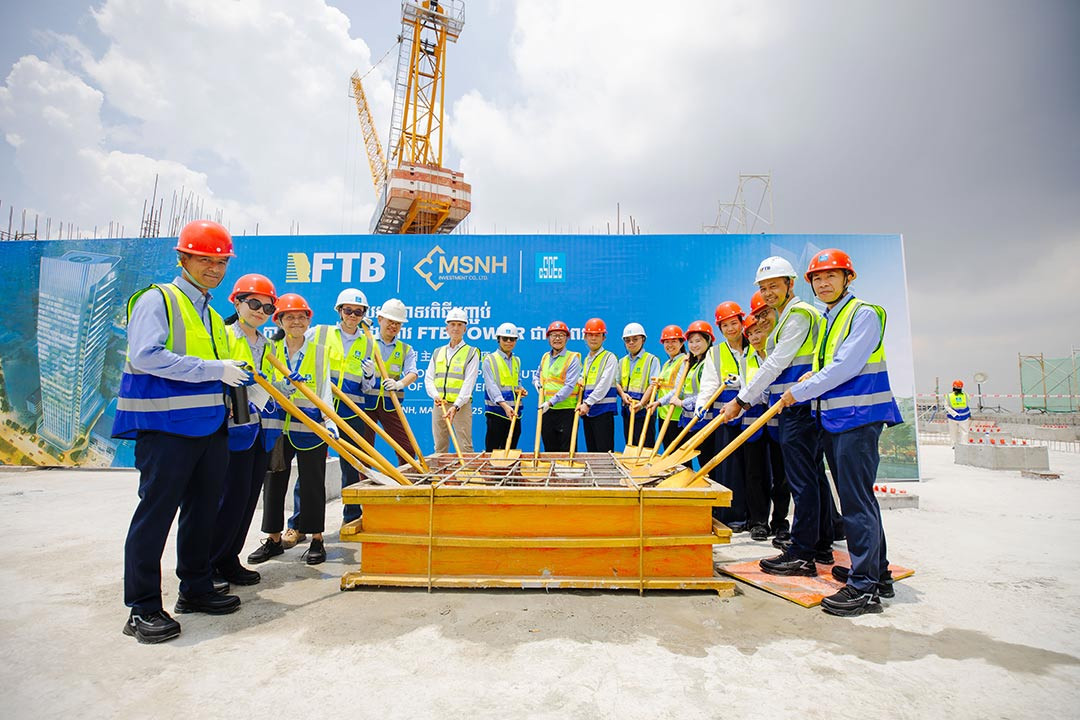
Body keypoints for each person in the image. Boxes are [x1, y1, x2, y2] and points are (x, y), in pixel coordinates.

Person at [113, 219, 245, 644]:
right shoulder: (158, 300)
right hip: (166, 428)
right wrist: (213, 369)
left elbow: (218, 371)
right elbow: (146, 355)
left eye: (221, 262)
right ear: (183, 258)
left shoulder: (211, 314)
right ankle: (143, 608)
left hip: (209, 428)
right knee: (155, 515)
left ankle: (195, 587)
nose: (214, 269)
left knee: (203, 512)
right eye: (205, 260)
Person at [779, 249, 903, 616]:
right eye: (817, 278)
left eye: (831, 276)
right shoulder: (831, 317)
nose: (823, 283)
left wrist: (800, 390)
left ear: (848, 278)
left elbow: (845, 366)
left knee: (856, 503)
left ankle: (864, 588)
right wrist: (811, 375)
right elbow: (832, 364)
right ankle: (878, 573)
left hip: (858, 418)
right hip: (839, 419)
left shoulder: (863, 313)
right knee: (857, 499)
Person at [720, 256, 833, 577]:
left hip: (800, 408)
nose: (768, 293)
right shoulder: (791, 316)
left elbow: (776, 364)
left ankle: (802, 553)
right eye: (763, 288)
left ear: (790, 284)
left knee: (803, 481)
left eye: (774, 286)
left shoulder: (798, 315)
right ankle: (820, 544)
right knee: (813, 478)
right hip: (798, 406)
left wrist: (740, 401)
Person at [249, 293, 336, 566]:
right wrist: (278, 392)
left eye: (301, 316)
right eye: (289, 317)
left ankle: (316, 539)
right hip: (277, 427)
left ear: (308, 320)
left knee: (312, 484)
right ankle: (274, 540)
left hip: (310, 427)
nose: (296, 321)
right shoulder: (270, 350)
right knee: (274, 482)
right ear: (279, 321)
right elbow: (260, 386)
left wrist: (329, 421)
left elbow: (325, 389)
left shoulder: (319, 352)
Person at [210, 274, 282, 588]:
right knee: (228, 498)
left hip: (259, 429)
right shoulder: (224, 335)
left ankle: (230, 558)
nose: (260, 312)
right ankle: (211, 562)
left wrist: (287, 384)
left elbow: (270, 382)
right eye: (254, 304)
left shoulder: (266, 344)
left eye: (267, 308)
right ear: (237, 302)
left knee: (247, 499)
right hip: (231, 430)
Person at [321, 288, 375, 528]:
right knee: (312, 466)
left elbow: (367, 386)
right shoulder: (321, 334)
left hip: (352, 410)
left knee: (351, 467)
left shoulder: (368, 342)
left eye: (358, 312)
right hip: (321, 408)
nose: (352, 316)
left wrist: (369, 376)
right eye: (348, 310)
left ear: (363, 314)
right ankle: (300, 523)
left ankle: (351, 516)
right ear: (339, 310)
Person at [696, 301, 749, 532]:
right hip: (725, 417)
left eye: (733, 323)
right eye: (725, 325)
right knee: (729, 466)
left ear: (741, 322)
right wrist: (701, 404)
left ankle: (755, 518)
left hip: (752, 414)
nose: (730, 329)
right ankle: (732, 515)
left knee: (753, 467)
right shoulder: (715, 353)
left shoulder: (754, 344)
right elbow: (709, 383)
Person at [739, 306, 790, 543]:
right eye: (750, 334)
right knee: (755, 474)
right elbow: (747, 388)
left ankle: (780, 522)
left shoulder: (779, 353)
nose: (755, 337)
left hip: (778, 423)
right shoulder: (745, 359)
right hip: (753, 425)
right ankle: (758, 522)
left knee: (781, 475)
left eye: (758, 331)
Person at [363, 298, 420, 464]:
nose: (393, 326)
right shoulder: (366, 342)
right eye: (390, 321)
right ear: (380, 319)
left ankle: (404, 479)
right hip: (366, 402)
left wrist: (399, 384)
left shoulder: (405, 349)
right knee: (364, 448)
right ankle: (363, 479)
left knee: (407, 449)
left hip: (390, 403)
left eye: (398, 323)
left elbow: (413, 373)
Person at [658, 321, 716, 473]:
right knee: (689, 462)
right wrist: (659, 402)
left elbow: (706, 394)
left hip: (704, 422)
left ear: (708, 340)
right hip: (690, 422)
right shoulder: (692, 364)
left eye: (698, 341)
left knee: (707, 463)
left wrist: (682, 403)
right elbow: (681, 389)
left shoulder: (707, 364)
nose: (694, 345)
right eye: (691, 341)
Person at [425, 307, 480, 454]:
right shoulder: (438, 352)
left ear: (465, 329)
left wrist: (456, 406)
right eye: (452, 324)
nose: (456, 328)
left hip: (460, 407)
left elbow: (469, 382)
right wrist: (435, 396)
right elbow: (429, 378)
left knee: (465, 447)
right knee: (439, 447)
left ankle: (467, 470)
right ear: (447, 328)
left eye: (460, 324)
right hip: (440, 405)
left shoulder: (471, 352)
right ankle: (441, 471)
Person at [536, 321, 582, 452]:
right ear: (548, 338)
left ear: (567, 338)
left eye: (561, 335)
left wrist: (550, 402)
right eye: (554, 335)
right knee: (549, 451)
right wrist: (536, 382)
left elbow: (569, 386)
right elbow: (538, 375)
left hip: (566, 411)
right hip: (547, 411)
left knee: (567, 452)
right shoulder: (545, 357)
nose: (557, 338)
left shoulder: (572, 358)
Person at [482, 322, 526, 451]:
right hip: (496, 413)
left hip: (514, 413)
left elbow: (516, 382)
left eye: (512, 339)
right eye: (505, 338)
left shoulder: (516, 360)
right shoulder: (489, 359)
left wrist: (520, 389)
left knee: (511, 451)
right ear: (498, 339)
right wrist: (504, 406)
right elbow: (491, 386)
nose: (508, 342)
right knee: (493, 451)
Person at [577, 318, 618, 452]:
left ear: (603, 337)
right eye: (590, 335)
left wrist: (587, 403)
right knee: (592, 454)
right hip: (588, 413)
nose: (593, 338)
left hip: (603, 412)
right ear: (585, 337)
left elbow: (604, 384)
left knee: (604, 454)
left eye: (597, 335)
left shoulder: (609, 357)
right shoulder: (587, 359)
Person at [616, 322, 660, 448]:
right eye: (627, 340)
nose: (631, 343)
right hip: (627, 411)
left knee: (645, 448)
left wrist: (641, 404)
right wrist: (623, 395)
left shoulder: (651, 360)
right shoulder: (622, 362)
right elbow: (617, 382)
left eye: (635, 339)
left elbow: (653, 385)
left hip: (645, 412)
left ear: (643, 340)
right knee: (630, 446)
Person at [647, 325, 688, 451]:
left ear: (681, 343)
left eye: (674, 341)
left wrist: (659, 402)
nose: (670, 345)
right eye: (666, 342)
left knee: (679, 457)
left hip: (677, 416)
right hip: (664, 416)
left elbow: (679, 390)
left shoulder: (684, 361)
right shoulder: (667, 364)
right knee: (668, 454)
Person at [946, 380, 971, 447]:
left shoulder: (949, 395)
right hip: (964, 416)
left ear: (953, 387)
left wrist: (954, 414)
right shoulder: (966, 395)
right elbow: (968, 402)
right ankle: (964, 445)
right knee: (964, 432)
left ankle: (953, 445)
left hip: (952, 417)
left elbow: (946, 406)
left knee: (953, 432)